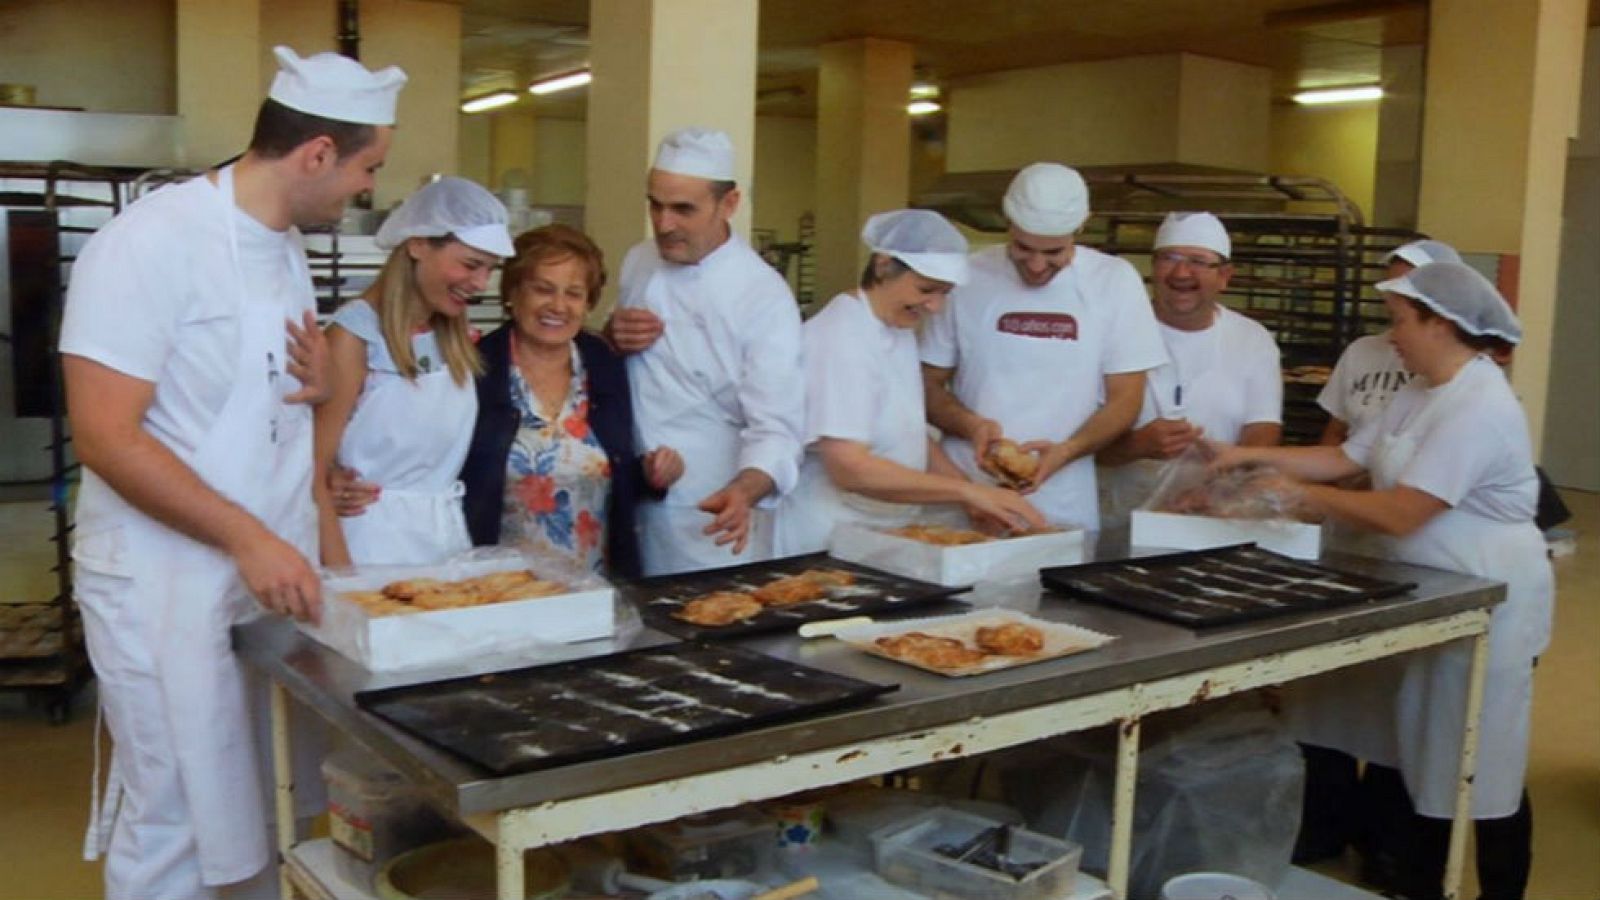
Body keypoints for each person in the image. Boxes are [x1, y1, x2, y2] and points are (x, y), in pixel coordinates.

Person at [59, 46, 404, 899]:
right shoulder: (148, 244)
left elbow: (245, 398)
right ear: (317, 153)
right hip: (162, 580)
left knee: (255, 800)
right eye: (368, 168)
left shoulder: (282, 246)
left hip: (256, 577)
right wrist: (249, 537)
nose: (368, 189)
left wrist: (318, 393)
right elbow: (105, 436)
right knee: (177, 811)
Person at [1211, 261, 1550, 900]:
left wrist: (1296, 495)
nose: (1390, 336)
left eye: (1399, 321)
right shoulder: (1420, 390)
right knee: (1425, 757)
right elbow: (1348, 456)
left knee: (1483, 767)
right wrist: (1245, 456)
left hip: (1488, 599)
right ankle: (1415, 883)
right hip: (1431, 594)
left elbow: (1402, 512)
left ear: (1441, 325)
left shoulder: (1480, 404)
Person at [775, 210, 1046, 554]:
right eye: (926, 289)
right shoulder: (842, 336)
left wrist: (972, 497)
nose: (934, 306)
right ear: (883, 265)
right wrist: (967, 492)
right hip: (828, 532)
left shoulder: (895, 325)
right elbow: (848, 467)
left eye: (944, 293)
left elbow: (909, 433)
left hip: (878, 529)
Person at [920, 162, 1167, 530]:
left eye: (1053, 252)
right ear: (1007, 222)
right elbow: (926, 383)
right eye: (1023, 248)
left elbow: (1126, 400)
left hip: (1063, 501)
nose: (1036, 265)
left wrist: (1065, 452)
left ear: (1080, 229)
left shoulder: (1113, 282)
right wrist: (971, 426)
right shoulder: (967, 277)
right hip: (967, 493)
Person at [606, 127, 806, 575]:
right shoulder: (639, 259)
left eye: (683, 209)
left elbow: (778, 427)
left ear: (728, 204)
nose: (663, 224)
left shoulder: (762, 296)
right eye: (655, 205)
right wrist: (612, 337)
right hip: (629, 492)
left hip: (709, 511)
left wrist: (744, 490)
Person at [458, 225, 682, 577]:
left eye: (574, 294)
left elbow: (613, 472)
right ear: (513, 293)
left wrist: (652, 475)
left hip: (595, 585)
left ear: (588, 303)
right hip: (500, 589)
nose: (558, 306)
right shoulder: (477, 367)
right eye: (543, 289)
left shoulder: (604, 364)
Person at [313, 177, 513, 567]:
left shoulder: (449, 335)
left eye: (490, 269)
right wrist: (346, 588)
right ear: (418, 244)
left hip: (444, 540)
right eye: (471, 265)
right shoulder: (352, 337)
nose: (480, 283)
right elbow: (313, 472)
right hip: (367, 546)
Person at [1098, 212, 1281, 527]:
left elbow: (1263, 430)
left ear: (1225, 276)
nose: (1181, 272)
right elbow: (1076, 445)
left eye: (1198, 261)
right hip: (1116, 520)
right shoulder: (1110, 333)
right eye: (1169, 258)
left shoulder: (1252, 339)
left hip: (1212, 518)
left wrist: (1218, 484)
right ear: (1153, 269)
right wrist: (1135, 446)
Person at [1318, 239, 1462, 446]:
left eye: (1406, 285)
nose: (1394, 294)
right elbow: (1339, 438)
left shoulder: (1457, 377)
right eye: (1390, 285)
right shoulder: (1361, 351)